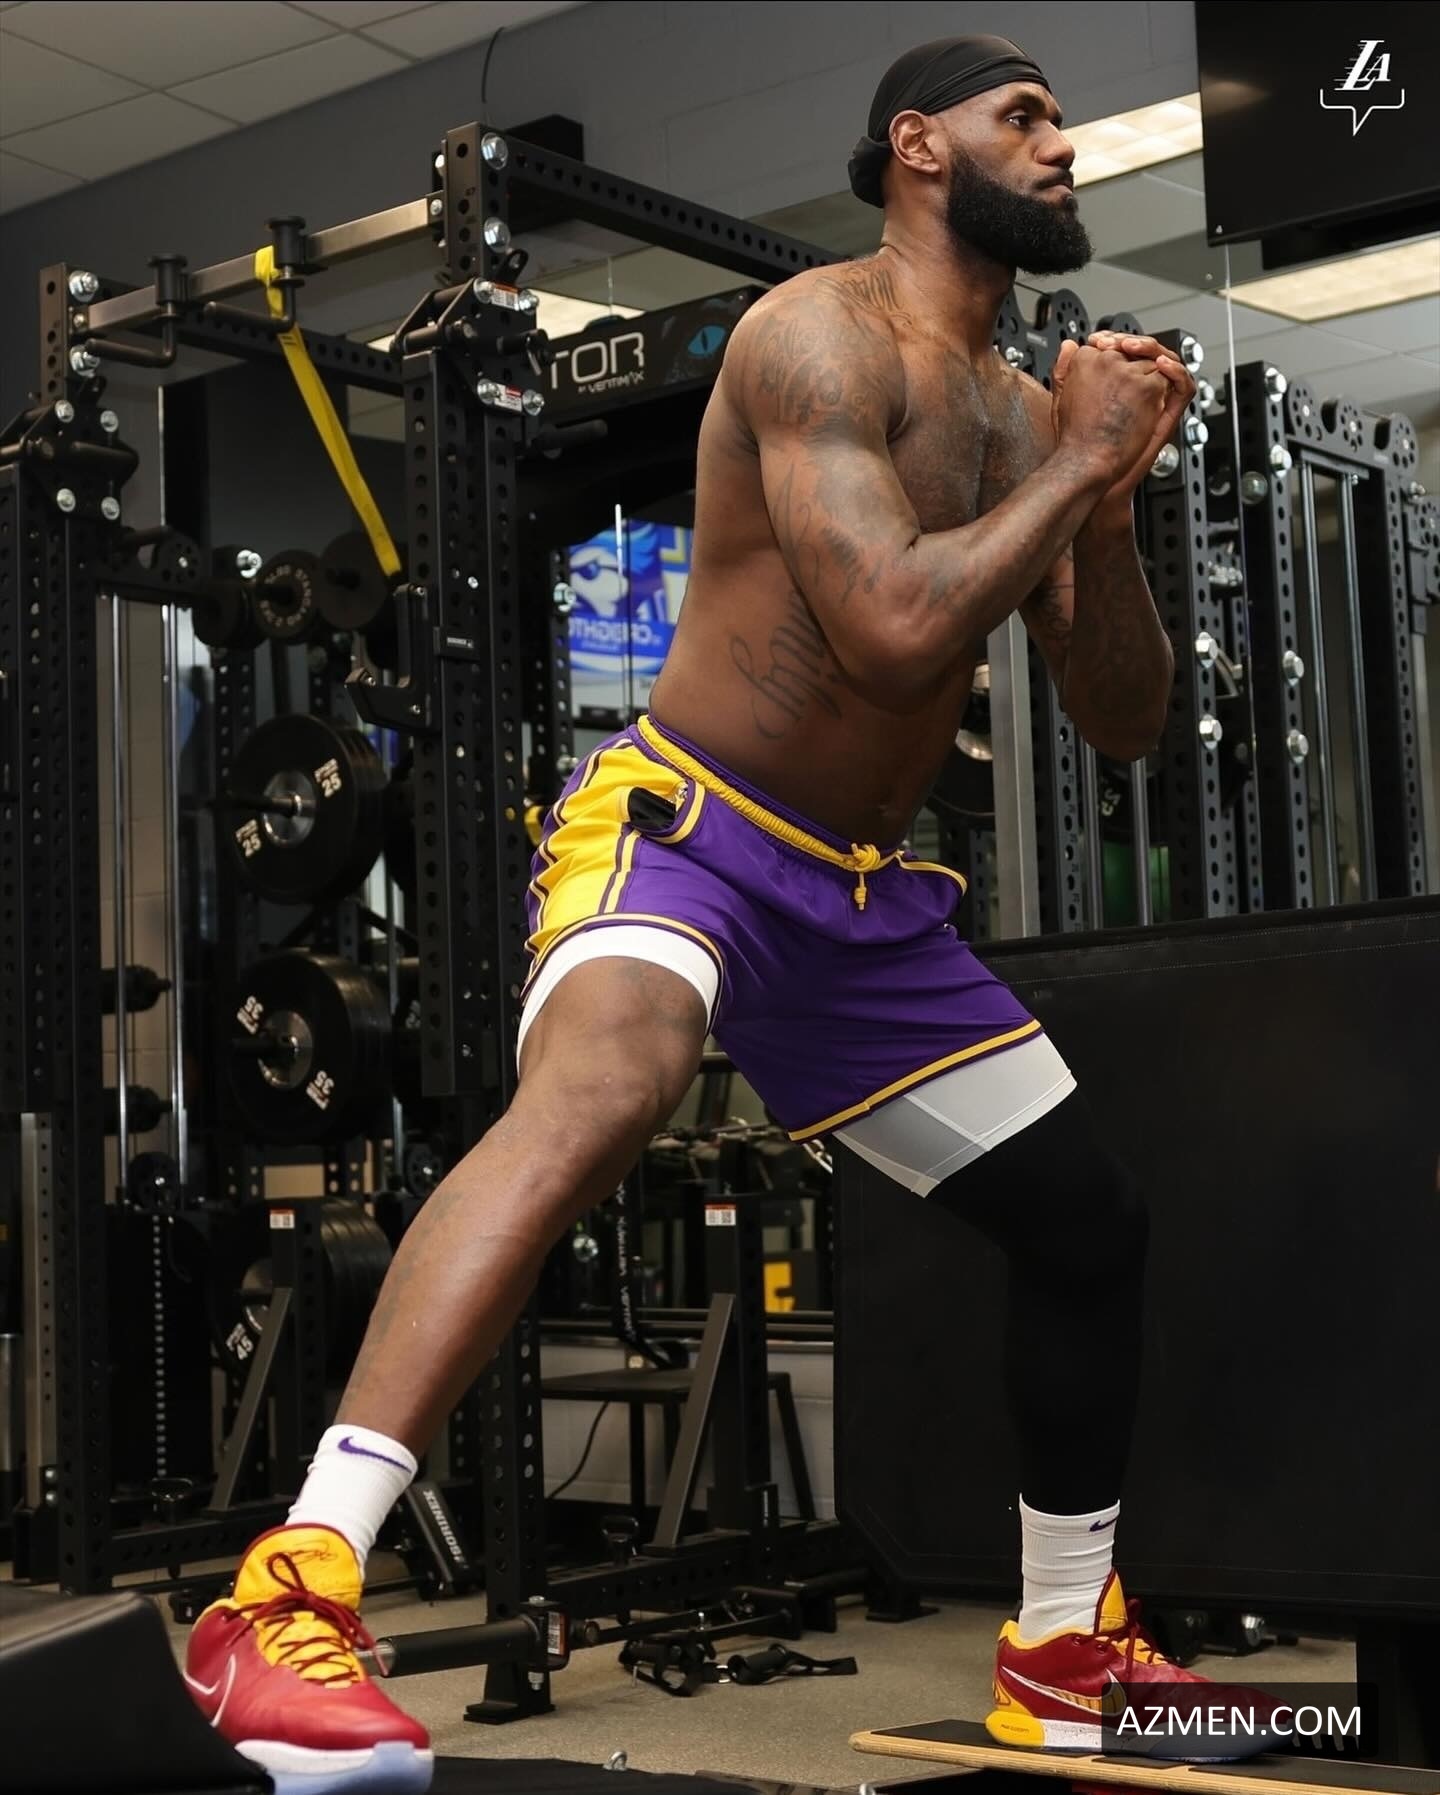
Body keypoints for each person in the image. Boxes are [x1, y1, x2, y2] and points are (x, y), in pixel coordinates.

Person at [185, 36, 1287, 1794]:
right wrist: (1076, 465)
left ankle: (1061, 1645)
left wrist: (1109, 494)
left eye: (1064, 123)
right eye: (1025, 119)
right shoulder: (814, 338)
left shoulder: (1026, 418)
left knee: (1089, 1225)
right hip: (691, 831)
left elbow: (1127, 720)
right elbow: (895, 632)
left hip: (857, 900)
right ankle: (289, 1588)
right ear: (918, 146)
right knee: (605, 1093)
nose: (1064, 148)